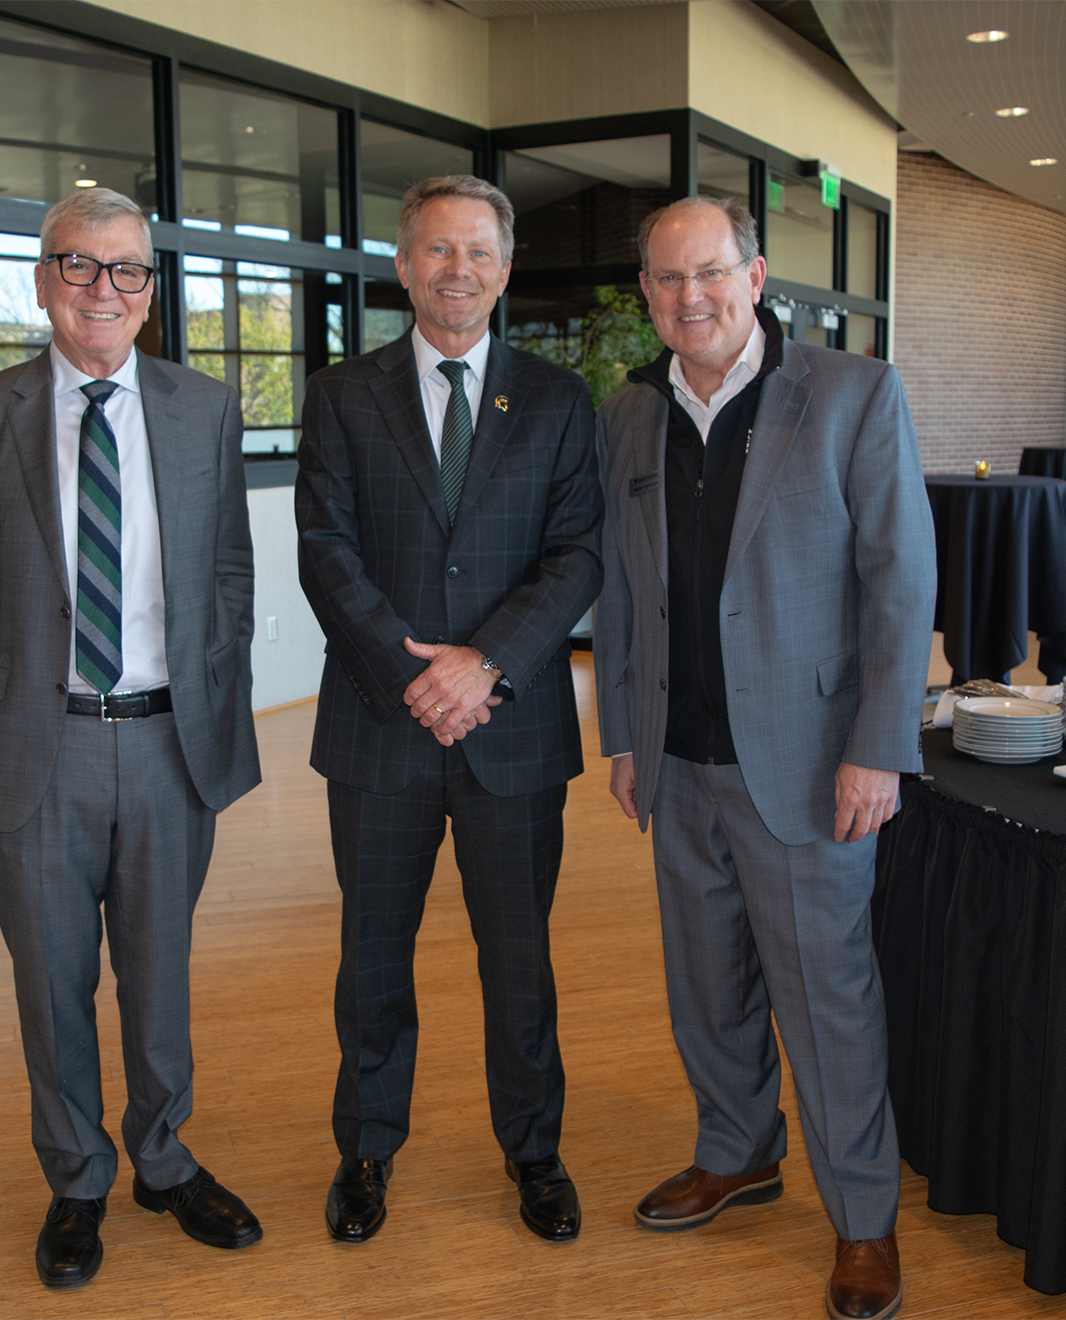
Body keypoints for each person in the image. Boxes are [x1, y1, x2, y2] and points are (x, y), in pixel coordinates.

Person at [594, 196, 933, 1320]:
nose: (691, 297)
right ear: (647, 293)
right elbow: (626, 588)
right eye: (667, 279)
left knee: (826, 1002)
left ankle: (864, 1220)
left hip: (807, 765)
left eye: (712, 273)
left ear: (757, 274)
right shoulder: (632, 414)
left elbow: (900, 585)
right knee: (708, 990)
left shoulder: (851, 395)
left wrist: (878, 748)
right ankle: (737, 1150)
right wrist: (629, 736)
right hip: (678, 763)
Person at [0, 187, 263, 1289]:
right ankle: (77, 1179)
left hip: (169, 745)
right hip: (39, 748)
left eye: (127, 270)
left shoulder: (205, 407)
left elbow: (227, 578)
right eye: (80, 265)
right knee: (52, 980)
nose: (103, 289)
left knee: (160, 976)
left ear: (151, 290)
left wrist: (217, 725)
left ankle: (163, 1162)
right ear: (43, 280)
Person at [295, 176, 603, 1245]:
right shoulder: (342, 395)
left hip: (511, 729)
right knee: (373, 957)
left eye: (477, 251)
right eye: (436, 249)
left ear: (504, 271)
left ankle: (534, 1151)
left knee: (518, 959)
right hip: (380, 729)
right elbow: (324, 553)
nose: (456, 269)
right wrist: (413, 673)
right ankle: (368, 1150)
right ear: (404, 264)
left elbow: (579, 556)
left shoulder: (560, 401)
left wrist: (488, 665)